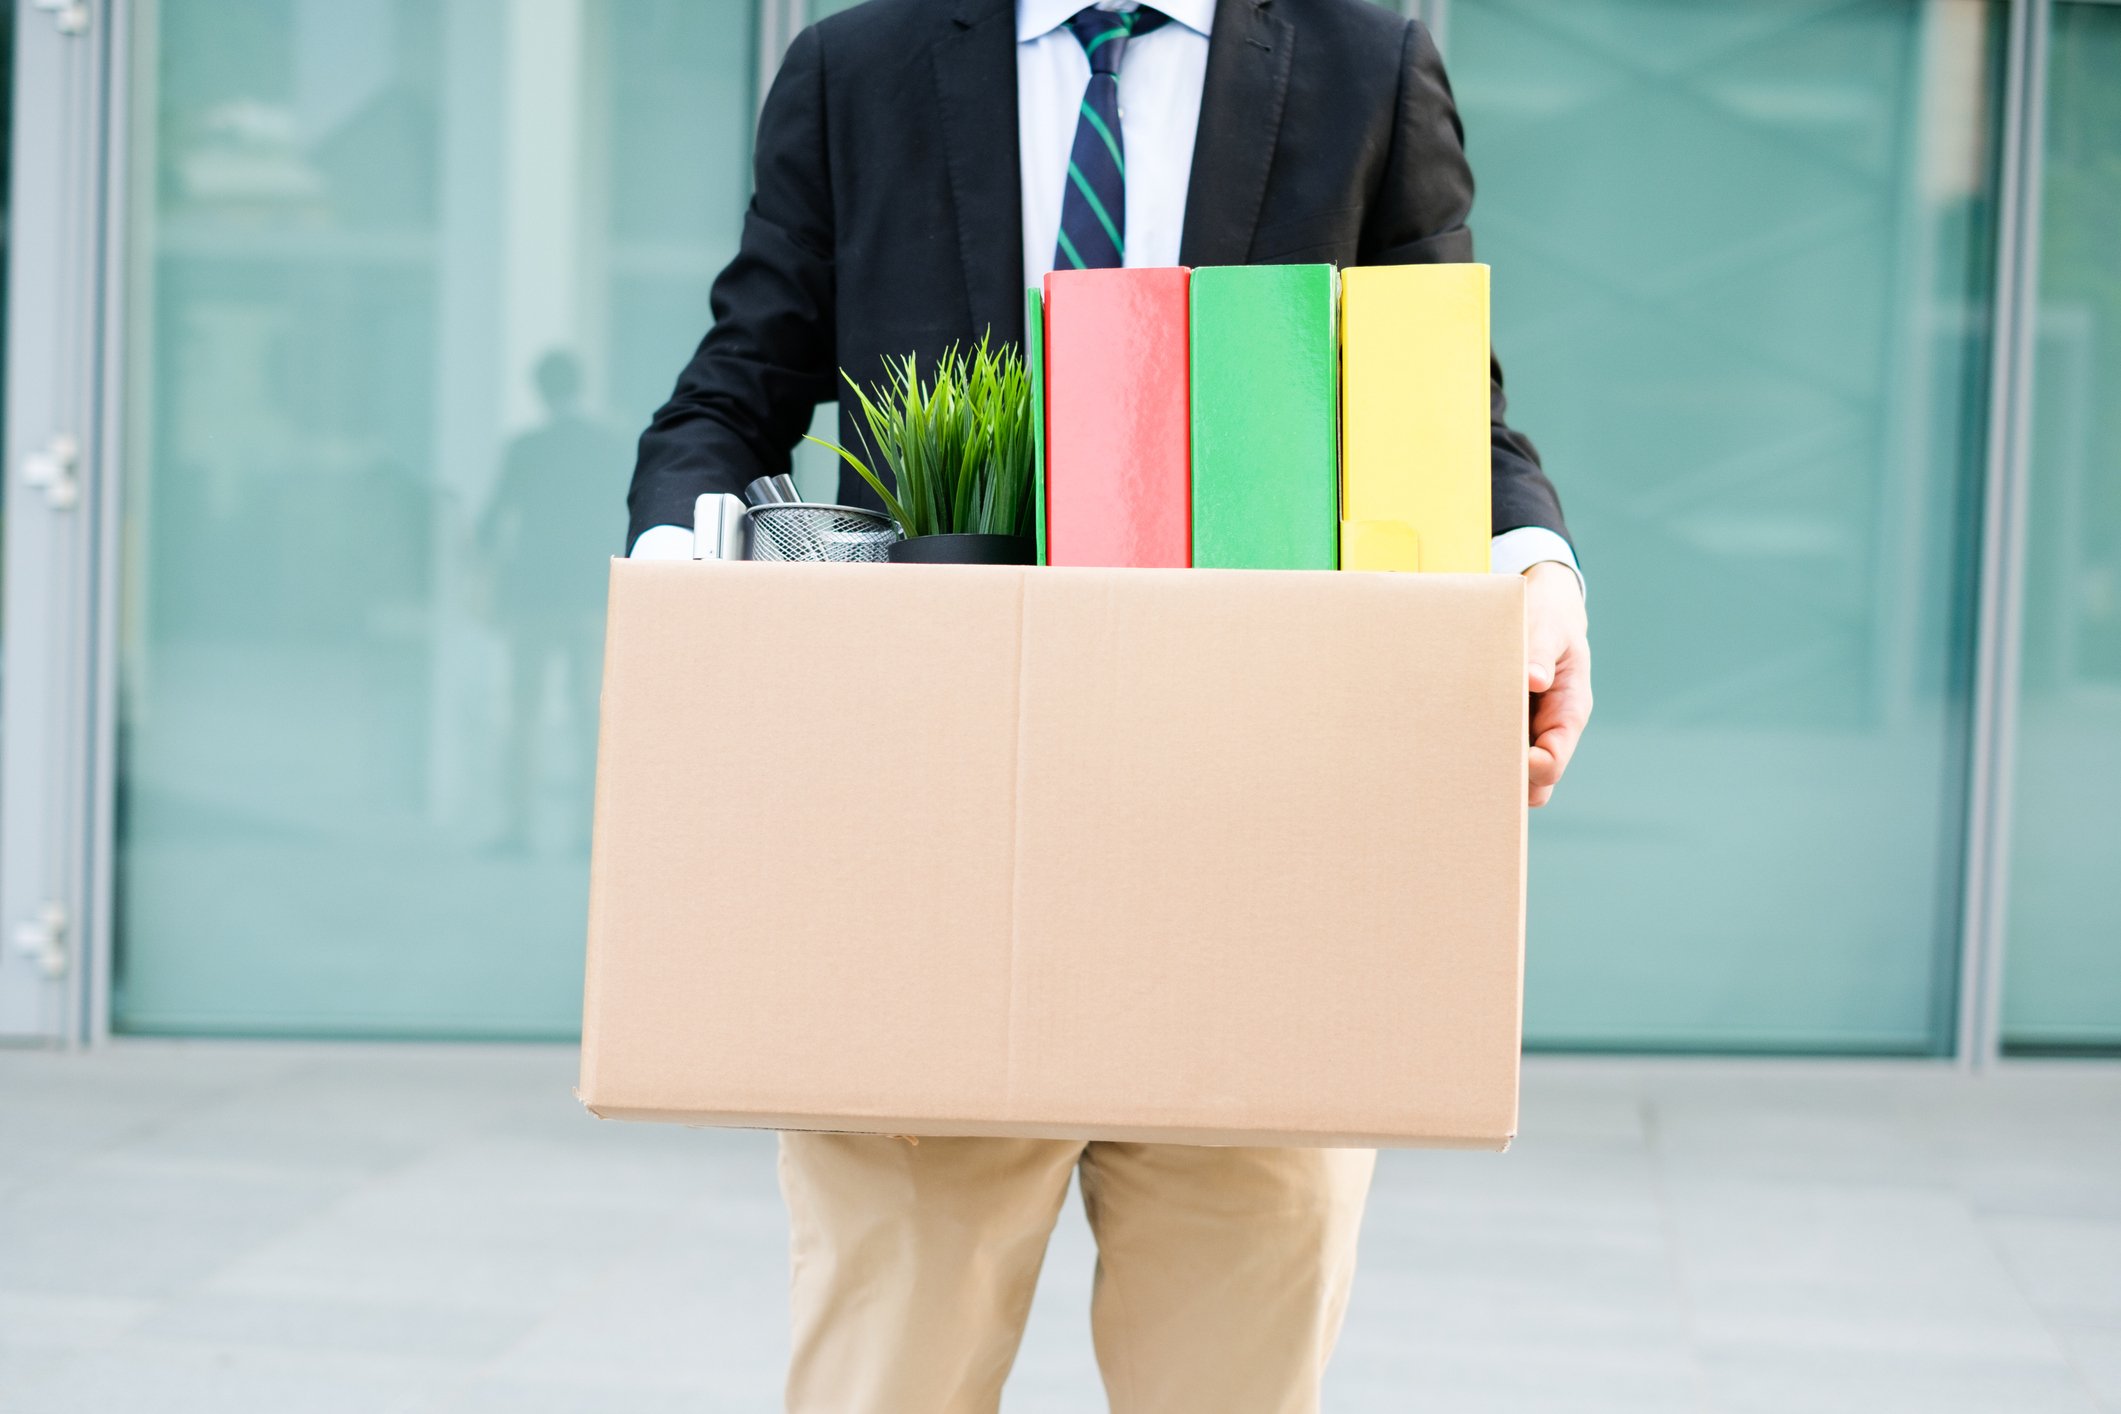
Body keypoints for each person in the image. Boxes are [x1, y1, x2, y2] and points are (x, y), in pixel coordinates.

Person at [626, 0, 1593, 1408]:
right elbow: (737, 386)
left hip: (1253, 860)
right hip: (933, 867)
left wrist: (1536, 570)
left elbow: (1440, 397)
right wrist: (679, 586)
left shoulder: (1358, 61)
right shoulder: (860, 63)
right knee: (884, 1378)